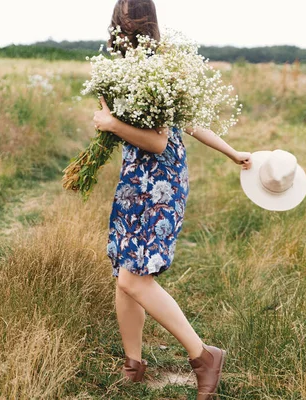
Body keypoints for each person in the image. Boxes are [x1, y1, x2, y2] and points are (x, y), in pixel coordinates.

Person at [92, 0, 252, 398]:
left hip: (157, 185)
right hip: (136, 180)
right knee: (125, 276)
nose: (124, 24)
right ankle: (134, 364)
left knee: (134, 278)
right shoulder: (134, 69)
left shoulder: (158, 68)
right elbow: (190, 120)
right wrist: (231, 152)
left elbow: (161, 141)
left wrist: (111, 123)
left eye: (127, 19)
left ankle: (203, 355)